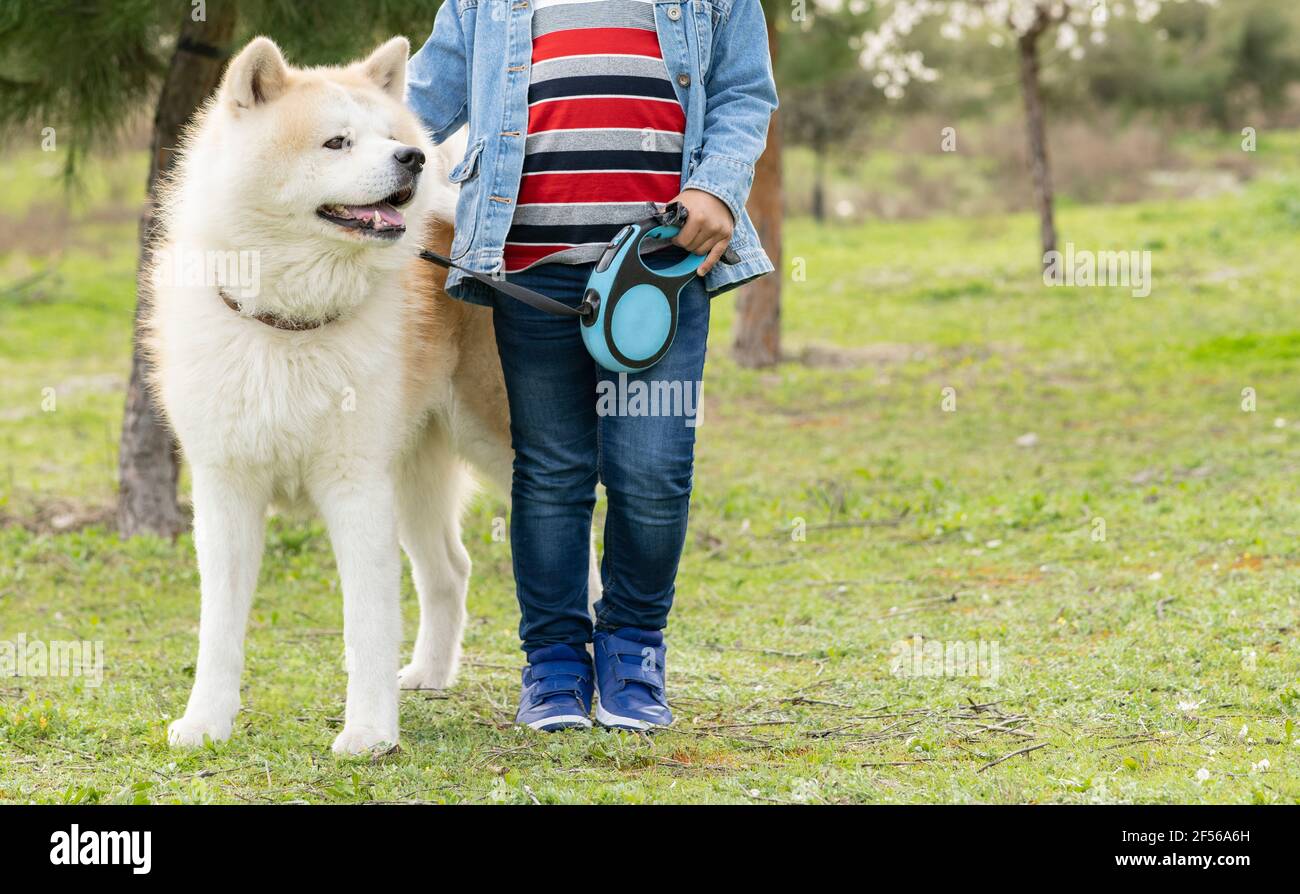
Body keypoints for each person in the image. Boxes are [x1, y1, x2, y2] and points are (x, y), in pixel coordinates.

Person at [407, 0, 777, 730]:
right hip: (527, 267)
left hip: (659, 274)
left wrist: (717, 185)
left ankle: (633, 649)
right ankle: (553, 663)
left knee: (652, 470)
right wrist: (313, 130)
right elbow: (417, 103)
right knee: (549, 470)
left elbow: (742, 90)